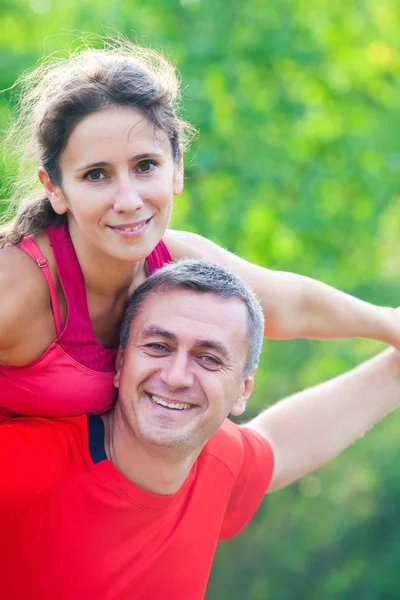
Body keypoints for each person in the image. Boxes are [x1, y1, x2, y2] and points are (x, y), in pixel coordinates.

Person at [0, 37, 399, 422]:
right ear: (54, 188)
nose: (128, 200)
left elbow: (288, 305)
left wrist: (390, 324)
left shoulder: (174, 260)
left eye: (145, 166)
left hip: (97, 477)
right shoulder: (17, 286)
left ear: (177, 168)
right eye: (96, 175)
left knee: (233, 450)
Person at [1, 259, 400, 600]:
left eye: (208, 358)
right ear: (121, 363)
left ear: (242, 391)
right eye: (158, 346)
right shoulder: (21, 467)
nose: (176, 377)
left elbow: (284, 441)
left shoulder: (217, 458)